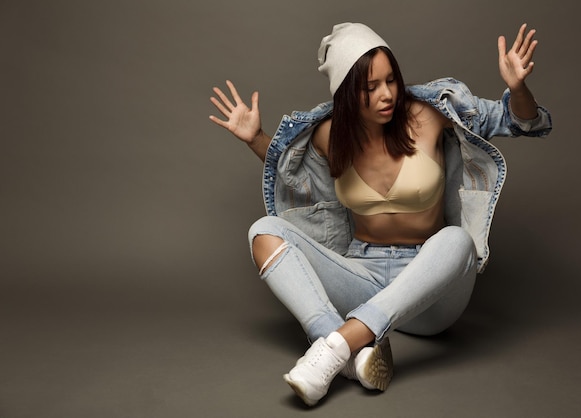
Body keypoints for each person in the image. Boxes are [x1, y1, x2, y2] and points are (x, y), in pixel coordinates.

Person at [209, 22, 552, 407]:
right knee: (263, 230)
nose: (387, 94)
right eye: (369, 87)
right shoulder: (330, 135)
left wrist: (518, 88)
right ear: (345, 93)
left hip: (431, 294)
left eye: (391, 80)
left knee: (458, 240)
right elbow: (296, 179)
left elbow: (521, 121)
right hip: (364, 276)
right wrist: (256, 138)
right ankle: (350, 354)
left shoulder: (429, 114)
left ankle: (334, 346)